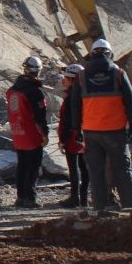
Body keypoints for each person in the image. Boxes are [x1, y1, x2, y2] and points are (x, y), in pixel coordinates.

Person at [67, 38, 132, 213]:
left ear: (92, 54)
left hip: (91, 132)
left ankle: (100, 207)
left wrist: (76, 129)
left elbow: (74, 105)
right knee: (122, 169)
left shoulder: (82, 76)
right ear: (109, 54)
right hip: (116, 131)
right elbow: (131, 102)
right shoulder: (119, 73)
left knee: (96, 173)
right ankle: (129, 206)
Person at [5, 56, 50, 208]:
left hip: (18, 133)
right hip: (32, 133)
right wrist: (44, 134)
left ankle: (20, 197)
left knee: (22, 165)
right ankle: (30, 198)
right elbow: (39, 117)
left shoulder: (12, 90)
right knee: (33, 166)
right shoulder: (35, 92)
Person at [56, 63, 89, 208]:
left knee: (74, 168)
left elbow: (66, 120)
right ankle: (84, 198)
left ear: (71, 79)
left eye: (66, 77)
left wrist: (62, 140)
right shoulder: (87, 94)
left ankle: (74, 198)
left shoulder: (71, 98)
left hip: (72, 136)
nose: (64, 80)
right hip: (86, 134)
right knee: (85, 167)